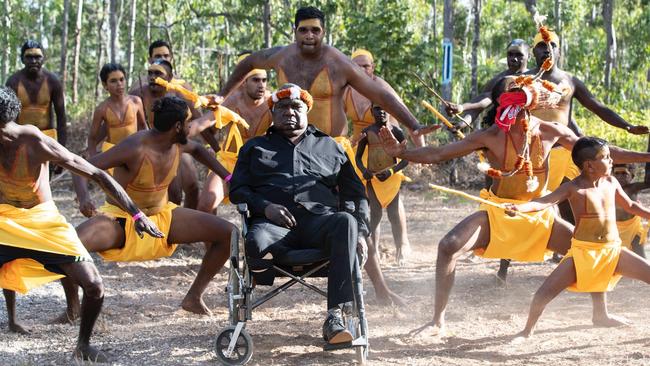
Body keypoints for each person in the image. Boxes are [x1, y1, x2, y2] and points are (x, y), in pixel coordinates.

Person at [379, 75, 650, 336]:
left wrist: (646, 156)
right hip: (498, 214)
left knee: (590, 246)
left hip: (541, 215)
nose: (513, 115)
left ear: (529, 107)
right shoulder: (491, 136)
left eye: (518, 107)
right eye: (507, 106)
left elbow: (598, 150)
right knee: (449, 245)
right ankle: (437, 321)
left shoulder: (551, 132)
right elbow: (438, 153)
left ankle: (599, 313)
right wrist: (402, 153)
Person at [218, 6, 438, 305]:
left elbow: (378, 91)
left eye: (316, 30)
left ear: (324, 33)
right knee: (266, 220)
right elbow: (248, 63)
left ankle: (377, 291)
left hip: (329, 151)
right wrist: (222, 94)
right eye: (303, 30)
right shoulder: (281, 56)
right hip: (282, 149)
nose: (309, 36)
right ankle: (267, 268)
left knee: (350, 215)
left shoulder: (337, 61)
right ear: (294, 32)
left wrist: (413, 126)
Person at [0, 87, 162, 361]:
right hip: (4, 221)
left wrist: (136, 214)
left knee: (94, 285)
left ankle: (83, 345)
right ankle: (13, 320)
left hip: (43, 222)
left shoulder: (34, 141)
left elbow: (97, 173)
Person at [70, 96, 235, 316]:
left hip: (162, 217)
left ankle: (193, 297)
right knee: (69, 246)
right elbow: (81, 168)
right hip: (122, 220)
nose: (190, 127)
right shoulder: (134, 147)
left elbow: (199, 151)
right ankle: (73, 307)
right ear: (177, 127)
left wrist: (229, 178)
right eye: (187, 123)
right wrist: (83, 198)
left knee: (229, 233)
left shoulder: (178, 143)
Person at [229, 84, 369, 344]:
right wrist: (265, 207)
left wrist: (360, 231)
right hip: (273, 227)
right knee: (255, 245)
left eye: (296, 107)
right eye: (282, 107)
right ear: (272, 113)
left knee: (346, 222)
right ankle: (265, 270)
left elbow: (356, 194)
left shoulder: (330, 146)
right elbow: (237, 190)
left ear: (307, 111)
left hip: (321, 225)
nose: (289, 112)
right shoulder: (255, 148)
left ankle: (334, 317)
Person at [507, 137, 650, 338]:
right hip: (583, 252)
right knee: (542, 294)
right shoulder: (573, 187)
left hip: (612, 250)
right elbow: (543, 202)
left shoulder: (611, 182)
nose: (611, 161)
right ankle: (526, 331)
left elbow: (632, 206)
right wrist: (519, 208)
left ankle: (601, 316)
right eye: (606, 157)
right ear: (589, 166)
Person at [195, 52, 271, 216]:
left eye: (264, 80)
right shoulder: (231, 100)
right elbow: (206, 126)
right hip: (230, 160)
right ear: (243, 82)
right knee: (205, 205)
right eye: (256, 80)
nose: (261, 85)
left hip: (262, 161)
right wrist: (216, 149)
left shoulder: (272, 102)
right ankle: (216, 241)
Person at [130, 60, 200, 209]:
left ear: (169, 77)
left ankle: (184, 224)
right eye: (150, 73)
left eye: (158, 73)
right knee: (162, 193)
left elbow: (199, 118)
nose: (152, 77)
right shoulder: (137, 95)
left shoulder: (180, 95)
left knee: (187, 189)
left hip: (175, 145)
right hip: (145, 148)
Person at [355, 104, 411, 266]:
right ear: (371, 112)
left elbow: (407, 158)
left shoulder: (396, 131)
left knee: (394, 214)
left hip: (391, 178)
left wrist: (392, 172)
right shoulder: (367, 133)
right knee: (375, 215)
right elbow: (358, 157)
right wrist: (364, 170)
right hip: (373, 178)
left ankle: (400, 251)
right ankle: (374, 254)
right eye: (377, 109)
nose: (381, 112)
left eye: (384, 108)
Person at [445, 39, 530, 127]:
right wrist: (463, 122)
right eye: (510, 54)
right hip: (502, 131)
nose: (513, 59)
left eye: (519, 55)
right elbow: (480, 105)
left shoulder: (535, 77)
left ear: (529, 56)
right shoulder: (498, 81)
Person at [5, 40, 67, 146]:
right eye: (29, 57)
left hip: (48, 138)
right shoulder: (13, 82)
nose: (33, 61)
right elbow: (6, 119)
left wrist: (61, 147)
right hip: (21, 139)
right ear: (22, 59)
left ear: (44, 58)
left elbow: (61, 118)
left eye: (37, 57)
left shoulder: (53, 81)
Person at [86, 63, 147, 159]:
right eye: (113, 81)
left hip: (134, 152)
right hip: (113, 156)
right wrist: (94, 159)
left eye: (122, 79)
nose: (119, 84)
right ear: (105, 85)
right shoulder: (102, 109)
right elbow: (92, 138)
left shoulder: (135, 101)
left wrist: (146, 149)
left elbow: (143, 127)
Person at [612, 163, 649, 258]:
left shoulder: (633, 188)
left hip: (634, 227)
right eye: (617, 173)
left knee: (640, 257)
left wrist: (647, 158)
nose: (620, 176)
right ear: (612, 175)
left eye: (624, 173)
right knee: (617, 258)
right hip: (615, 228)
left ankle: (644, 271)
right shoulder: (609, 188)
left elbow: (648, 182)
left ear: (631, 176)